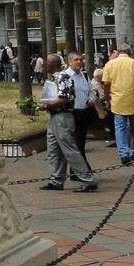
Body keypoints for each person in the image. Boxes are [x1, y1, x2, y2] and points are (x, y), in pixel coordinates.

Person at [38, 55, 98, 192]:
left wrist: (46, 105)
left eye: (47, 62)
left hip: (63, 117)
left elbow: (63, 99)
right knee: (54, 149)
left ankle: (88, 180)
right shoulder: (55, 78)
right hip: (54, 117)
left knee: (69, 149)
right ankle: (56, 180)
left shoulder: (62, 77)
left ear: (52, 63)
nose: (44, 65)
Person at [102, 42, 134, 165]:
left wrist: (108, 100)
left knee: (120, 129)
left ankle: (123, 154)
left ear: (118, 53)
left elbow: (106, 85)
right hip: (133, 101)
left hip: (117, 102)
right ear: (129, 53)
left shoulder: (109, 65)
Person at [61, 52, 96, 177]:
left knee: (80, 142)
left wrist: (91, 100)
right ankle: (83, 170)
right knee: (75, 144)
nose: (79, 62)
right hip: (71, 114)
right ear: (69, 62)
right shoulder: (65, 76)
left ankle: (76, 171)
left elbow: (91, 91)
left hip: (83, 113)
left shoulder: (84, 76)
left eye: (81, 59)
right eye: (76, 59)